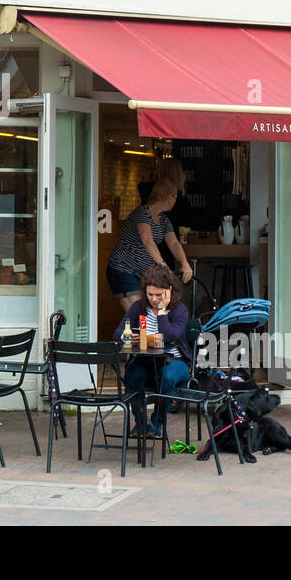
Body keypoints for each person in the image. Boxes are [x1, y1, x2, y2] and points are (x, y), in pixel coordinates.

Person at [112, 264, 192, 439]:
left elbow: (170, 336)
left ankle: (156, 424)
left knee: (167, 376)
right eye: (150, 294)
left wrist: (162, 311)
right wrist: (128, 337)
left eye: (158, 295)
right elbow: (117, 333)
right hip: (146, 361)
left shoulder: (179, 310)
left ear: (169, 290)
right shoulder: (138, 308)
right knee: (132, 373)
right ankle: (142, 425)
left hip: (176, 362)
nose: (154, 299)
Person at [106, 175, 193, 312]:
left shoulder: (163, 220)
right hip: (124, 269)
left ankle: (145, 334)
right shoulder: (142, 213)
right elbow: (147, 241)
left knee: (151, 314)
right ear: (169, 197)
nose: (176, 200)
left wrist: (184, 263)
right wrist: (163, 266)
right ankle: (140, 334)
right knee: (139, 316)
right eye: (175, 196)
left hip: (142, 272)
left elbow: (174, 243)